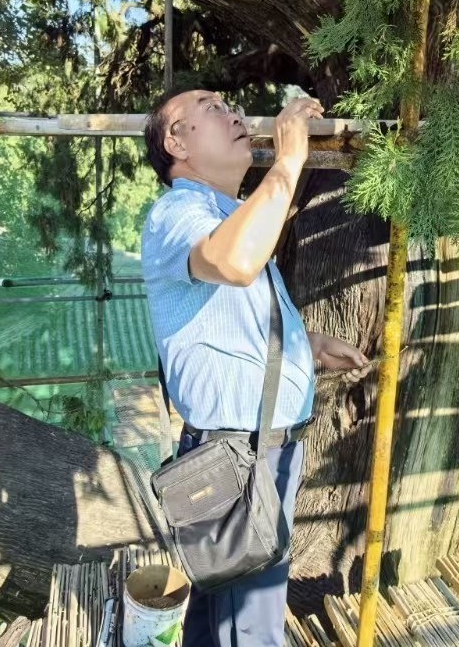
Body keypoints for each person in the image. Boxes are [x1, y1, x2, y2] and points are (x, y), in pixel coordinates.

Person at [141, 90, 371, 647]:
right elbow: (235, 262)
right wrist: (289, 160)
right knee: (252, 628)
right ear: (176, 142)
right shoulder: (178, 212)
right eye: (211, 108)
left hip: (253, 451)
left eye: (230, 105)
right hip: (238, 457)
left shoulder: (231, 215)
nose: (234, 113)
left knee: (220, 617)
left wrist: (308, 346)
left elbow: (229, 325)